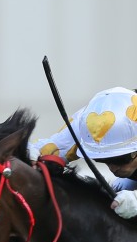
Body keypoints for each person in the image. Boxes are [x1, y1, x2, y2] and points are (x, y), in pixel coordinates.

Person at [29, 86, 137, 218]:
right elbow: (49, 148)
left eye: (121, 159)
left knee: (126, 194)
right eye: (103, 160)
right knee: (113, 196)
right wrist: (28, 153)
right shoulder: (89, 122)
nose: (113, 168)